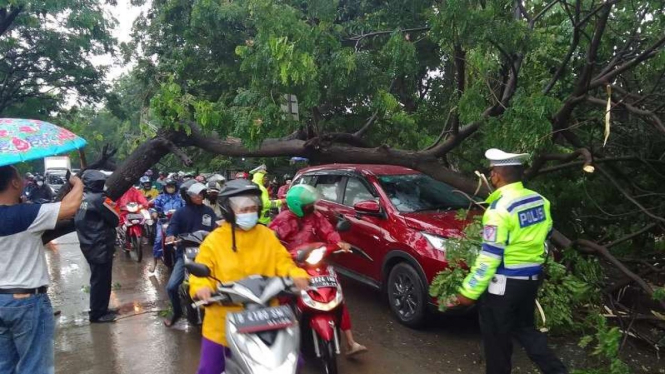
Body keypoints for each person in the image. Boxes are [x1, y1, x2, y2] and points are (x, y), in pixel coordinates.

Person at [454, 149, 568, 374]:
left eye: (492, 172)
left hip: (503, 287)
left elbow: (489, 257)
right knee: (526, 330)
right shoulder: (539, 201)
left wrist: (469, 291)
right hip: (530, 280)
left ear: (496, 175)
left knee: (497, 342)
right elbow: (546, 233)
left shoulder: (498, 211)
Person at [189, 179, 309, 374]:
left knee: (295, 363)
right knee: (208, 370)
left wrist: (296, 274)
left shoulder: (266, 235)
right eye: (243, 209)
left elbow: (283, 261)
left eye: (253, 208)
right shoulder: (214, 241)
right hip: (224, 320)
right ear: (228, 210)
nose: (249, 213)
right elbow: (202, 270)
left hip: (268, 316)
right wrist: (201, 287)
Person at [0, 165, 83, 374]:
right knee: (35, 367)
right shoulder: (26, 214)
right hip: (26, 301)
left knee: (4, 366)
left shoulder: (26, 211)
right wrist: (77, 182)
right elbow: (70, 207)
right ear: (15, 183)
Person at [269, 184, 368, 356]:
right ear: (298, 206)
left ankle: (350, 342)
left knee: (336, 294)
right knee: (282, 298)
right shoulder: (284, 219)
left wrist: (339, 243)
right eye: (308, 205)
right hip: (292, 265)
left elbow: (328, 232)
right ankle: (282, 339)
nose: (312, 207)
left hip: (316, 262)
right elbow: (270, 240)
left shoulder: (315, 216)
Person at [163, 182, 217, 327]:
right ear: (188, 196)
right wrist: (171, 236)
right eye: (195, 194)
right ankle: (177, 312)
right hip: (185, 254)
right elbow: (172, 227)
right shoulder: (180, 213)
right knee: (172, 287)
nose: (198, 197)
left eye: (201, 194)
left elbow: (216, 227)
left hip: (207, 254)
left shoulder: (209, 212)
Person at [74, 170, 120, 323]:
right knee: (101, 281)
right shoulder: (100, 199)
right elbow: (115, 219)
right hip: (101, 245)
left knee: (98, 280)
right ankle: (97, 314)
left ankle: (101, 309)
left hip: (89, 244)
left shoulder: (82, 198)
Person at [151, 178, 185, 270]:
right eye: (168, 187)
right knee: (158, 239)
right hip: (163, 222)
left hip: (178, 222)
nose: (170, 188)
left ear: (175, 187)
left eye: (172, 187)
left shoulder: (180, 198)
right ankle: (154, 260)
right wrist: (154, 212)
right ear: (165, 187)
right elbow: (154, 208)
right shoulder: (160, 197)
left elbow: (186, 207)